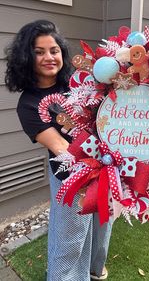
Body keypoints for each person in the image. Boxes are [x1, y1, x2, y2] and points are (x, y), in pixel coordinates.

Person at [5, 20, 112, 281]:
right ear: (26, 58)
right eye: (39, 52)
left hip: (106, 164)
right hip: (71, 174)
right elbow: (61, 146)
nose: (48, 57)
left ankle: (95, 268)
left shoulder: (77, 83)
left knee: (102, 222)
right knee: (71, 235)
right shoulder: (28, 105)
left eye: (53, 50)